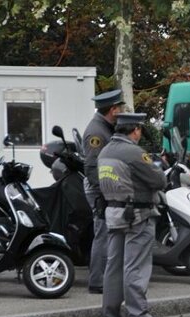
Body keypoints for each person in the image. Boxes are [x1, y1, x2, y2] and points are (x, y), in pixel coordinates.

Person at [97, 113, 166, 317]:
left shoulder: (105, 151)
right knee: (135, 265)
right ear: (135, 130)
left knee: (114, 265)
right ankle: (138, 314)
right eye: (140, 130)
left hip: (114, 213)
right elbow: (159, 180)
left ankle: (110, 313)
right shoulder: (134, 153)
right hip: (138, 214)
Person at [82, 89, 125, 294]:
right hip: (100, 190)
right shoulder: (97, 132)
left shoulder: (105, 127)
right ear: (113, 109)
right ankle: (97, 281)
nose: (122, 111)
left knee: (106, 233)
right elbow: (91, 168)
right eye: (120, 108)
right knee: (103, 233)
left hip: (104, 188)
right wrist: (104, 194)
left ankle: (103, 278)